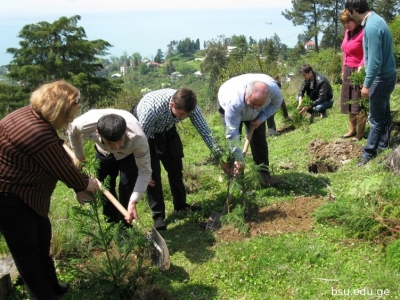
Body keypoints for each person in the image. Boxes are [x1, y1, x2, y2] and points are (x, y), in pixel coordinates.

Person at [0, 80, 99, 300]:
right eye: (70, 114)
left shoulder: (27, 114)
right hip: (10, 198)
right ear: (57, 110)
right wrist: (86, 183)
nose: (73, 118)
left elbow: (55, 147)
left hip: (28, 195)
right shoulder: (37, 133)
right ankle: (43, 296)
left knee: (42, 239)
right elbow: (63, 169)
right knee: (27, 254)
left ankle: (52, 285)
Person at [131, 87, 220, 231]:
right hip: (146, 134)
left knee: (175, 168)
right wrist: (144, 168)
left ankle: (181, 205)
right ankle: (158, 216)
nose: (184, 117)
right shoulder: (150, 111)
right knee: (153, 176)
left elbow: (204, 131)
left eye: (186, 114)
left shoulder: (189, 107)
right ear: (172, 105)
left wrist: (220, 155)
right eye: (182, 114)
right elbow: (142, 142)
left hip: (167, 129)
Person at [68, 109, 152, 225]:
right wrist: (79, 155)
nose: (116, 147)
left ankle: (125, 227)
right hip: (103, 153)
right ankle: (111, 223)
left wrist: (134, 200)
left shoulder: (138, 138)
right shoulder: (84, 124)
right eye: (111, 143)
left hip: (128, 154)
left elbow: (145, 171)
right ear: (98, 133)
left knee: (127, 187)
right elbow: (72, 130)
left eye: (119, 141)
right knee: (104, 186)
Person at [345, 0, 397, 167]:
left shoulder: (372, 27)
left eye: (349, 12)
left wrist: (367, 84)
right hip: (388, 75)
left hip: (380, 78)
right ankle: (384, 145)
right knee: (384, 114)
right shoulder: (377, 20)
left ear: (354, 11)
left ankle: (368, 154)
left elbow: (375, 61)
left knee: (374, 119)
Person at [218, 73, 283, 186]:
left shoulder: (274, 92)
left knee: (259, 141)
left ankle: (264, 177)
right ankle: (238, 181)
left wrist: (261, 118)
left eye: (260, 105)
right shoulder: (233, 102)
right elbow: (232, 134)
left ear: (267, 97)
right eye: (253, 103)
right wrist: (239, 158)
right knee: (233, 145)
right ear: (246, 95)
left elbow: (276, 104)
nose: (256, 107)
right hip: (231, 108)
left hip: (255, 114)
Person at [339, 8, 367, 141]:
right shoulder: (347, 33)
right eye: (344, 23)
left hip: (359, 70)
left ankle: (360, 133)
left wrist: (362, 66)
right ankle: (352, 129)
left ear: (355, 20)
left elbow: (367, 52)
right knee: (349, 101)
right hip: (348, 69)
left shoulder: (363, 32)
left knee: (358, 103)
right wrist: (343, 68)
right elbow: (345, 51)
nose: (346, 25)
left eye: (349, 22)